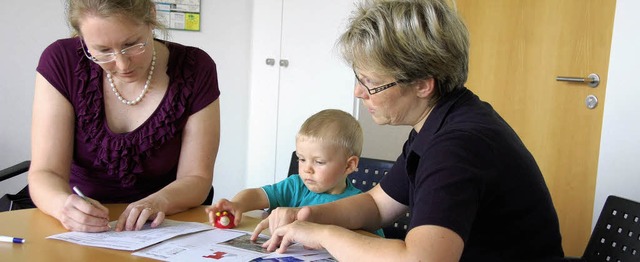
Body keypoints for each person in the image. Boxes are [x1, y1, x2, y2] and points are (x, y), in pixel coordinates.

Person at [251, 0, 565, 261]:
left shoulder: (456, 146)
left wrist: (322, 234)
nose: (360, 93)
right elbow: (376, 205)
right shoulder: (442, 121)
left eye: (370, 82)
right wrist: (305, 216)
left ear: (423, 84)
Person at [28, 0, 220, 233]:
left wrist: (157, 202)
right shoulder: (61, 61)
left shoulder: (196, 68)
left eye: (132, 44)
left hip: (164, 224)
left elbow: (197, 177)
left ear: (151, 15)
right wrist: (63, 206)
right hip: (79, 228)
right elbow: (45, 173)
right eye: (103, 51)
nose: (121, 64)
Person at [206, 109, 384, 237]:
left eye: (319, 162)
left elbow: (375, 245)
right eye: (301, 159)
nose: (307, 168)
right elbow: (257, 194)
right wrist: (237, 204)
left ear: (349, 166)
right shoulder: (295, 185)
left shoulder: (360, 206)